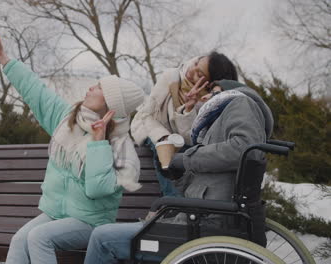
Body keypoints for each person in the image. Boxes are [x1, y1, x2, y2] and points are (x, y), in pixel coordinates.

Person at [0, 34, 145, 264]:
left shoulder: (121, 148)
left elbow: (97, 189)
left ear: (111, 104)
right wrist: (3, 57)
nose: (91, 87)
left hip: (90, 222)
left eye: (99, 87)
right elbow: (36, 91)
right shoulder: (69, 119)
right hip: (56, 213)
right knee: (20, 239)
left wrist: (99, 143)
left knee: (39, 237)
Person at [84, 79, 274, 264]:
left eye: (214, 91)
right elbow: (201, 184)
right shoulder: (215, 126)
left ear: (232, 91)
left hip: (205, 225)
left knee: (102, 238)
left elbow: (244, 148)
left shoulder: (241, 101)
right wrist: (173, 171)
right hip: (199, 219)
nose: (206, 96)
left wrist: (186, 158)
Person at [130, 52, 238, 197]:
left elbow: (191, 139)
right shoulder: (171, 78)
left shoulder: (210, 102)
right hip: (149, 126)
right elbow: (147, 116)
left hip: (181, 143)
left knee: (190, 154)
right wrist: (163, 137)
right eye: (195, 63)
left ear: (211, 84)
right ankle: (172, 202)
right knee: (166, 149)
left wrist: (189, 109)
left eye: (199, 74)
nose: (191, 70)